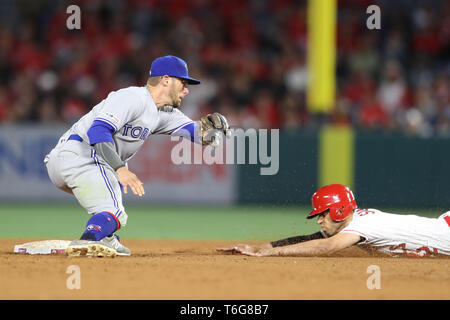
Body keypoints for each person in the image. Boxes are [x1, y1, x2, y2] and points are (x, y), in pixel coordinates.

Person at [45, 55, 231, 257]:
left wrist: (213, 131)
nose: (186, 90)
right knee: (116, 213)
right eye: (183, 83)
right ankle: (88, 240)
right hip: (81, 155)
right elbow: (98, 131)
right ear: (166, 79)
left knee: (108, 205)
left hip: (73, 163)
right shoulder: (133, 97)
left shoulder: (164, 114)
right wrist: (120, 168)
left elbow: (197, 133)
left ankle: (108, 238)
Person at [218, 184, 450, 257]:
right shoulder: (354, 222)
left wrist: (270, 253)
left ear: (339, 210)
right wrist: (260, 247)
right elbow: (309, 239)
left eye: (322, 213)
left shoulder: (361, 225)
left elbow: (326, 246)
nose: (319, 220)